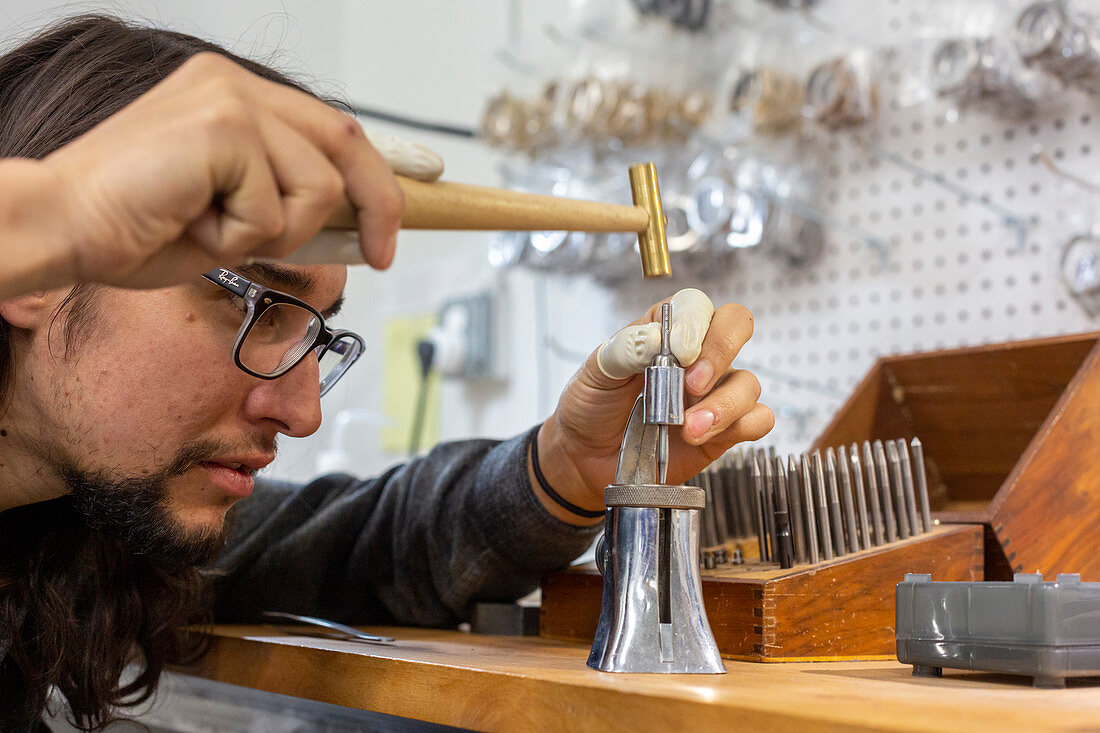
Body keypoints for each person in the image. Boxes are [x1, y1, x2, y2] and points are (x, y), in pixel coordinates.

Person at [0, 14, 773, 732]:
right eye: (261, 307)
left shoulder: (78, 526)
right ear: (36, 268)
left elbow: (364, 541)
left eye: (314, 332)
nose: (304, 413)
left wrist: (567, 464)